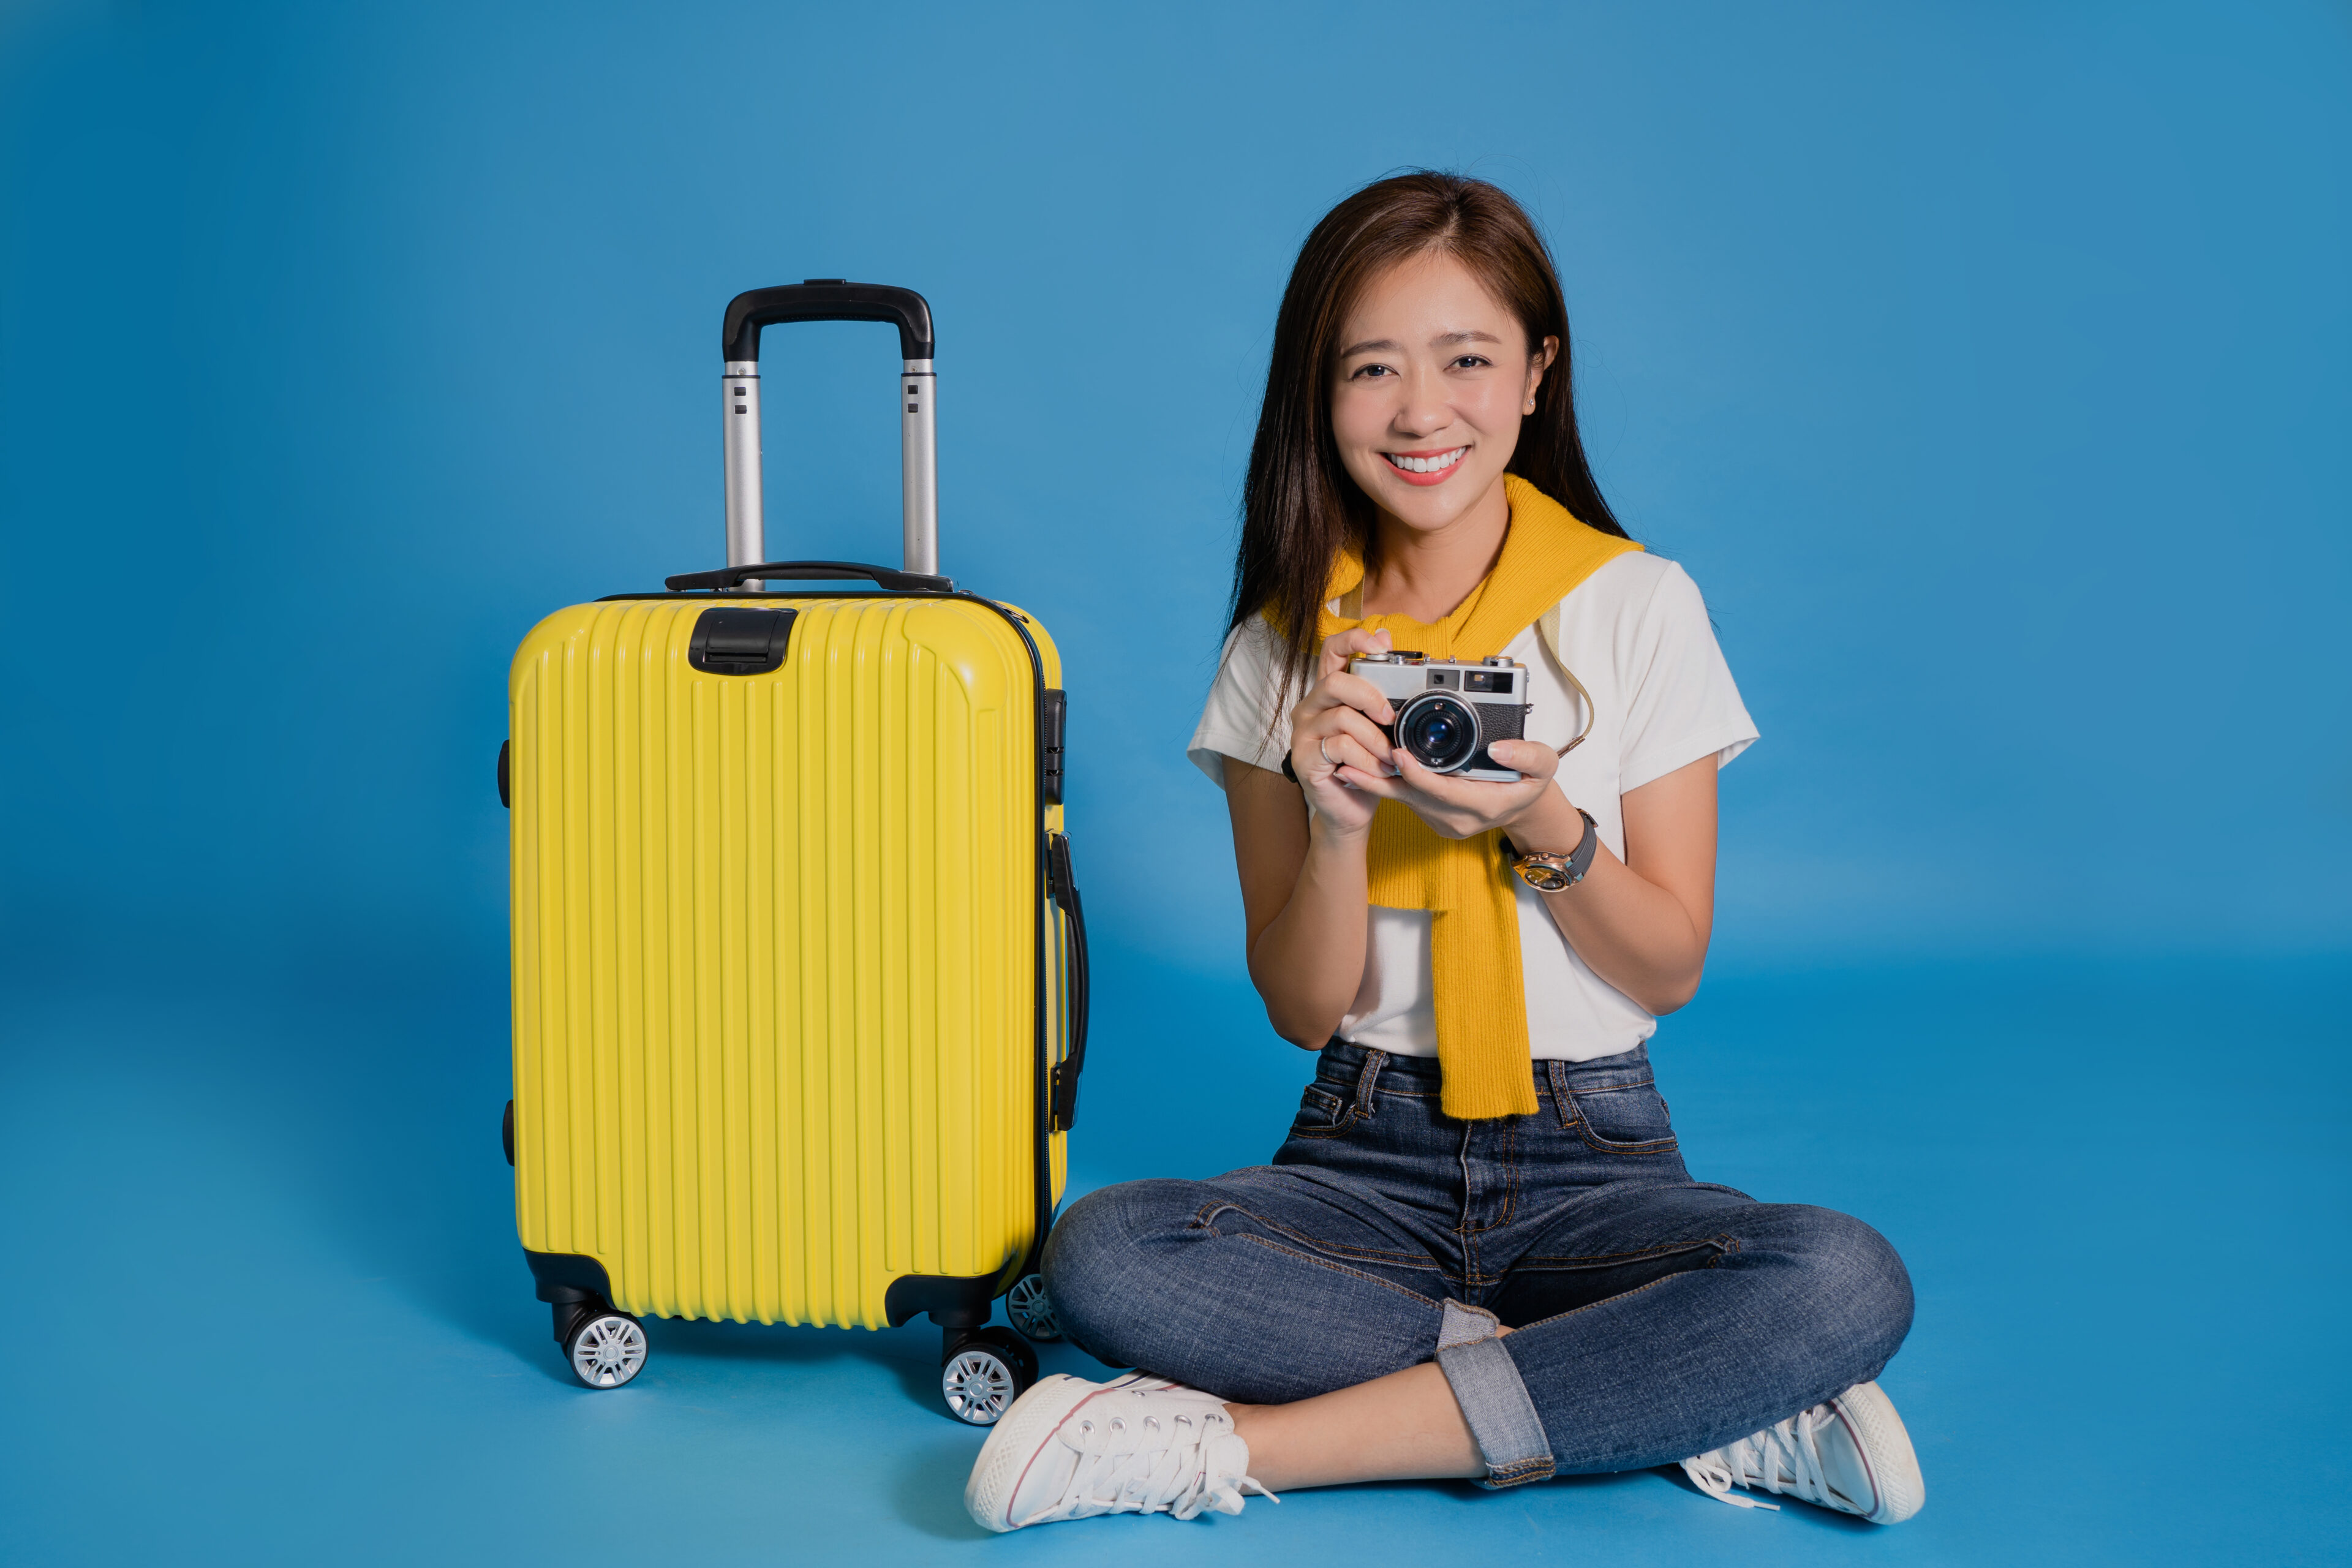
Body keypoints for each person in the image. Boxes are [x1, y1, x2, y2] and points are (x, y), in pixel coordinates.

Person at [964, 172, 1921, 1533]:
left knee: (1843, 1277)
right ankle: (1684, 1392)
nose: (1423, 411)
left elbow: (1673, 961)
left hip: (1599, 1152)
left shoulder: (1640, 605)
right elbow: (1303, 1009)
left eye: (1467, 358)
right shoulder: (1280, 651)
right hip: (1362, 1153)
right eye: (1372, 369)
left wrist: (1545, 829)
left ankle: (1237, 1444)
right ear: (1319, 393)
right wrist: (1339, 823)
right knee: (1106, 1253)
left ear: (1537, 373)